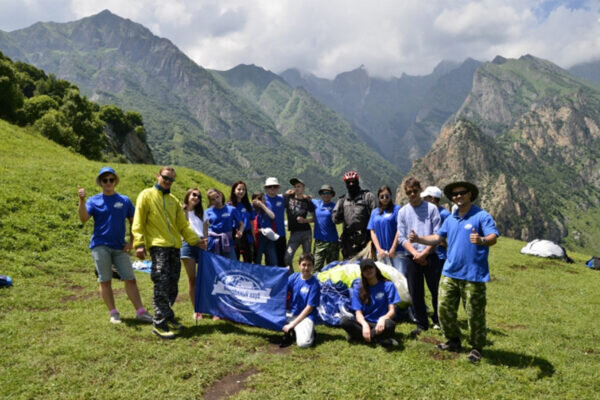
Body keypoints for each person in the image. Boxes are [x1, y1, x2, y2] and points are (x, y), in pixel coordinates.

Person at [409, 181, 499, 363]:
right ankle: (453, 341)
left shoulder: (481, 216)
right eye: (455, 195)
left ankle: (476, 347)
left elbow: (493, 237)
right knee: (443, 309)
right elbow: (437, 237)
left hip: (473, 275)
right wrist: (419, 239)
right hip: (450, 272)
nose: (458, 197)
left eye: (462, 193)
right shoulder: (450, 219)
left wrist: (481, 239)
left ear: (470, 195)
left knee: (474, 313)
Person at [132, 166, 206, 339]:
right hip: (158, 246)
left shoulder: (173, 200)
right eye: (165, 178)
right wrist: (139, 244)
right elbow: (138, 220)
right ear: (158, 176)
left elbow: (183, 226)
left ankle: (168, 316)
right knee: (162, 283)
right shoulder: (146, 195)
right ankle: (159, 323)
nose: (168, 181)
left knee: (173, 284)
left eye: (171, 179)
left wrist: (196, 241)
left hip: (175, 247)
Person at [77, 167, 153, 324]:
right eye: (105, 180)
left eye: (111, 179)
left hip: (119, 247)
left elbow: (134, 222)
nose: (108, 183)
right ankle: (113, 313)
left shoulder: (124, 200)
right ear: (100, 183)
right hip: (100, 245)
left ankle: (141, 312)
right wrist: (82, 201)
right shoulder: (93, 200)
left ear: (115, 181)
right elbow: (83, 218)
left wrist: (132, 242)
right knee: (105, 280)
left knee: (130, 278)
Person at [397, 177, 441, 337]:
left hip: (430, 255)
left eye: (415, 191)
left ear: (420, 190)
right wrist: (415, 253)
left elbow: (438, 234)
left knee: (436, 290)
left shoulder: (432, 209)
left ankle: (439, 320)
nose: (412, 195)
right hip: (412, 257)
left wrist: (424, 253)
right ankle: (422, 323)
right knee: (416, 292)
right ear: (406, 193)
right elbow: (401, 237)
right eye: (409, 192)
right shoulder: (403, 212)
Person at [340, 258, 400, 347]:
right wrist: (364, 325)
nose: (368, 271)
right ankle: (379, 339)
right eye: (365, 269)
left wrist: (383, 319)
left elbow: (392, 311)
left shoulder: (388, 285)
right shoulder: (358, 289)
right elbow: (358, 312)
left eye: (370, 267)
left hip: (381, 323)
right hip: (365, 322)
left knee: (390, 324)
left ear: (375, 269)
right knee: (344, 321)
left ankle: (360, 337)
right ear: (362, 273)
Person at [280, 253, 321, 348]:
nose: (306, 268)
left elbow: (309, 308)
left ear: (313, 266)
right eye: (304, 265)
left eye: (309, 265)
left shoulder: (314, 284)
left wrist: (293, 324)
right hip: (291, 313)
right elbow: (282, 290)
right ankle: (294, 329)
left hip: (306, 316)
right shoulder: (294, 277)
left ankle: (309, 333)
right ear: (299, 265)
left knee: (303, 344)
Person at [333, 171, 377, 258]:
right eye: (349, 182)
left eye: (353, 181)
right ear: (346, 184)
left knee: (368, 266)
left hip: (366, 238)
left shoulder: (368, 196)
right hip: (348, 241)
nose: (351, 184)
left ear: (358, 181)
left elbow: (376, 216)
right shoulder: (342, 200)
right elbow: (335, 219)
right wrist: (339, 214)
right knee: (350, 267)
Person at [181, 188, 208, 321]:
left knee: (203, 278)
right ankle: (196, 310)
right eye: (194, 195)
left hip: (201, 243)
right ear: (188, 195)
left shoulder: (202, 213)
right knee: (192, 278)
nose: (196, 197)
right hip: (187, 244)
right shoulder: (181, 210)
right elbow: (184, 226)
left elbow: (205, 230)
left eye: (199, 196)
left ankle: (206, 307)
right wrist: (185, 211)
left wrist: (206, 243)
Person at [367, 185, 405, 273]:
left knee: (400, 278)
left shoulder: (397, 209)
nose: (385, 198)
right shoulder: (374, 212)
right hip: (381, 253)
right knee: (385, 277)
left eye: (387, 196)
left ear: (391, 196)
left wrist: (393, 248)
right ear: (378, 198)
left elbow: (400, 229)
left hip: (397, 251)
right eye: (382, 196)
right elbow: (372, 231)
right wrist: (379, 249)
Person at [283, 178, 315, 272]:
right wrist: (285, 193)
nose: (297, 188)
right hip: (294, 233)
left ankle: (306, 277)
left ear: (303, 188)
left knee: (307, 259)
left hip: (306, 233)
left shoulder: (307, 201)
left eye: (299, 186)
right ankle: (293, 277)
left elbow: (314, 218)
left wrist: (305, 220)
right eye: (295, 186)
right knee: (287, 258)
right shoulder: (288, 197)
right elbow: (277, 197)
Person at [204, 188, 244, 259]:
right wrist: (205, 240)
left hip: (228, 241)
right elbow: (205, 228)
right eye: (213, 199)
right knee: (215, 265)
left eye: (217, 197)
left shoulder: (232, 209)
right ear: (211, 201)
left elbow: (241, 224)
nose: (216, 200)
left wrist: (240, 232)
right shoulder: (207, 212)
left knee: (231, 264)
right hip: (213, 242)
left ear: (221, 196)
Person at [421, 186, 451, 269]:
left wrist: (441, 241)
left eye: (425, 198)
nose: (423, 200)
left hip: (439, 255)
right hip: (425, 253)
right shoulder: (426, 212)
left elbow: (452, 233)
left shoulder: (444, 214)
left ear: (433, 199)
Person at [312, 184, 339, 271]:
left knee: (332, 269)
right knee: (316, 268)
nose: (326, 195)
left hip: (333, 242)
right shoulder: (316, 203)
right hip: (319, 242)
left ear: (332, 195)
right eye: (323, 193)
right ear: (321, 194)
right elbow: (305, 198)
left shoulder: (335, 206)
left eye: (328, 193)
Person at [229, 181, 256, 263]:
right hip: (234, 236)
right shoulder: (229, 206)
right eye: (239, 189)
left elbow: (251, 223)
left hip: (247, 236)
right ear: (234, 191)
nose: (241, 191)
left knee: (248, 260)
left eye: (243, 189)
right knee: (234, 260)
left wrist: (254, 237)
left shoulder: (249, 206)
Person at [264, 177, 287, 266]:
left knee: (282, 260)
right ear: (266, 188)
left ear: (278, 188)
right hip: (269, 235)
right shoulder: (262, 200)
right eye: (270, 187)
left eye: (274, 186)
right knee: (270, 261)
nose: (272, 188)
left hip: (281, 235)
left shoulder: (282, 199)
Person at [251, 191, 277, 265]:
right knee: (257, 260)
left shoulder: (267, 205)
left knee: (273, 261)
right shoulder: (251, 208)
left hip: (269, 236)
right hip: (257, 237)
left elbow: (272, 216)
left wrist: (263, 206)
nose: (263, 201)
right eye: (260, 199)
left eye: (264, 199)